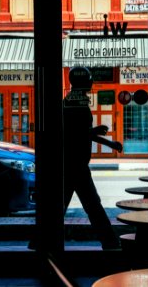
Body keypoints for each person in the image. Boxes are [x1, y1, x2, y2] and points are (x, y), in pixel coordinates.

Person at [62, 66, 123, 250]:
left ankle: (39, 241)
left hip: (73, 162)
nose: (91, 83)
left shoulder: (73, 101)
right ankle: (110, 242)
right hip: (76, 164)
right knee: (93, 205)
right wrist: (101, 137)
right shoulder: (75, 103)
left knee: (85, 205)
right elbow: (75, 133)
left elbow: (80, 132)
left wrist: (107, 142)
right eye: (89, 80)